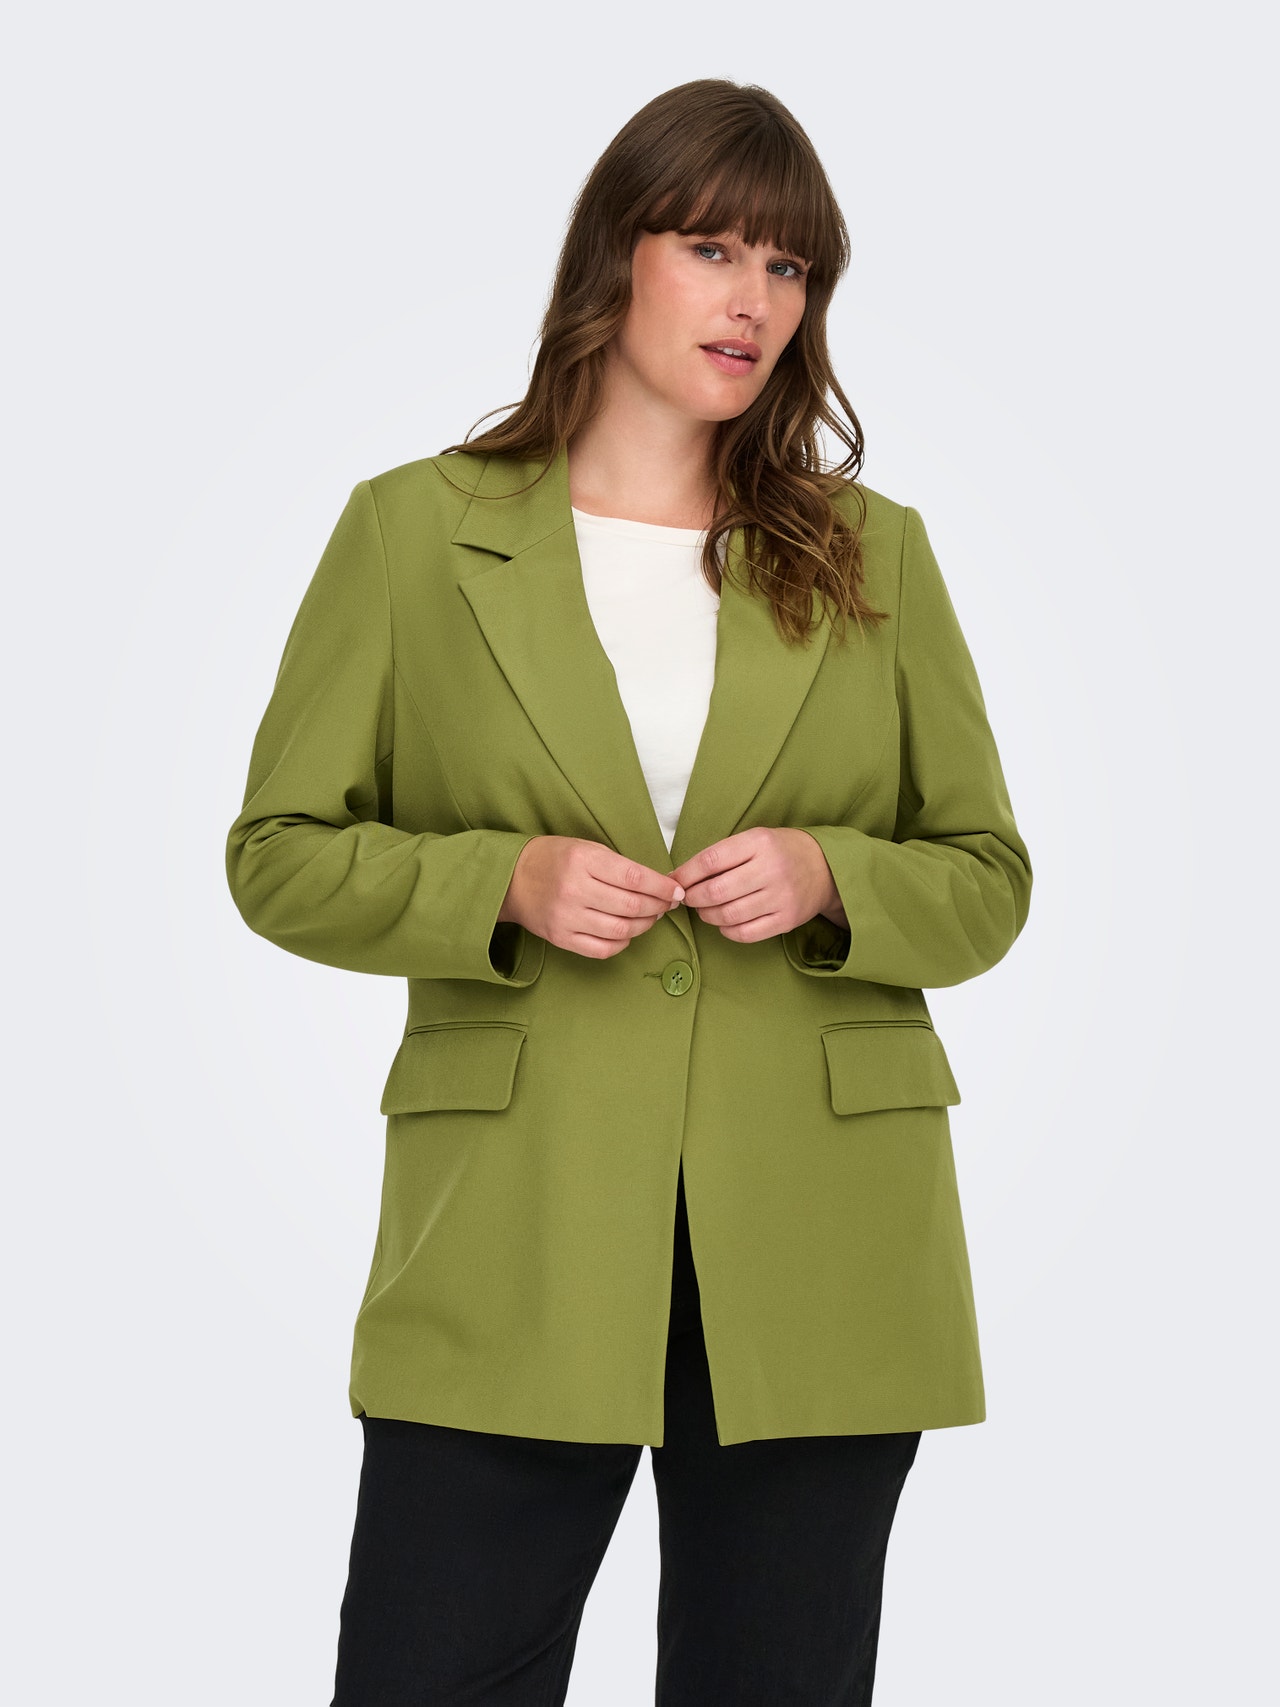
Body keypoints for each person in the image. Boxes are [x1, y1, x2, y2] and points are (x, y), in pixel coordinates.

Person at [225, 77, 1033, 1707]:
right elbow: (280, 853)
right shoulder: (412, 535)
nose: (756, 301)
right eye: (714, 248)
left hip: (820, 1230)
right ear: (615, 255)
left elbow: (987, 878)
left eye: (791, 267)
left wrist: (831, 874)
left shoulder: (872, 553)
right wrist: (500, 883)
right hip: (514, 1221)